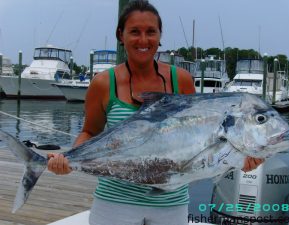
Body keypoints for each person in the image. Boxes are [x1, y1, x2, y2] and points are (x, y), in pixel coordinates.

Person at [48, 1, 264, 224]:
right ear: (120, 36)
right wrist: (69, 159)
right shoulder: (103, 83)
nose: (143, 40)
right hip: (114, 202)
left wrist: (239, 158)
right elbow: (89, 132)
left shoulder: (181, 80)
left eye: (151, 32)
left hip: (170, 204)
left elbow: (200, 141)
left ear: (160, 36)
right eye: (134, 32)